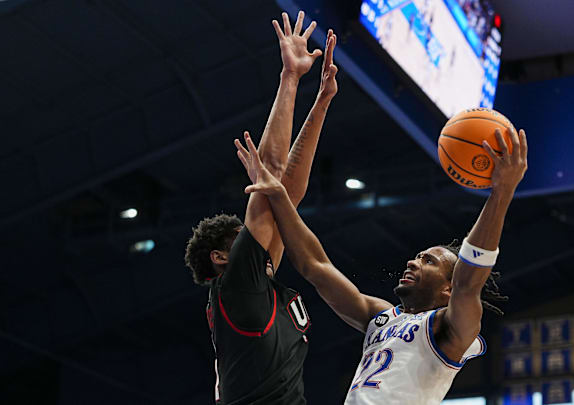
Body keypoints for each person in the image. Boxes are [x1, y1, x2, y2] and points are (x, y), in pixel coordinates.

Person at [235, 125, 528, 404]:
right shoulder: (381, 318)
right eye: (418, 256)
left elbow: (468, 283)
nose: (413, 261)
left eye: (428, 261)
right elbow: (315, 266)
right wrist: (279, 195)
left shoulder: (450, 329)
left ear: (447, 289)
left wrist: (501, 193)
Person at [183, 11, 339, 405]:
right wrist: (290, 77)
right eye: (243, 236)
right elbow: (271, 177)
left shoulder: (255, 284)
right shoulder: (236, 283)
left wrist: (321, 102)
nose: (259, 234)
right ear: (222, 257)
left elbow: (287, 195)